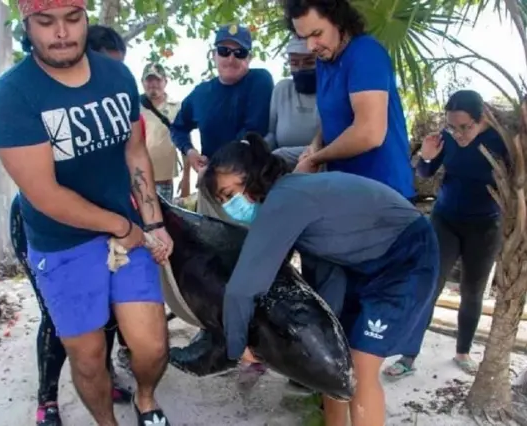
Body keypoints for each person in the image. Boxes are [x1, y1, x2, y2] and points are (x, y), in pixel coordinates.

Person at [0, 2, 173, 426]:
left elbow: (135, 151)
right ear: (26, 25)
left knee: (152, 346)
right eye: (46, 22)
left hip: (127, 231)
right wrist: (123, 226)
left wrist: (154, 221)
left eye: (72, 19)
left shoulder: (116, 76)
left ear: (86, 18)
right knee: (89, 358)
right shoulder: (14, 94)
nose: (62, 33)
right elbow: (44, 194)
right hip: (62, 242)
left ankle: (146, 398)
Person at [200, 132, 439, 426]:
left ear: (252, 176)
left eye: (229, 193)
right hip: (364, 263)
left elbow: (243, 287)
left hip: (405, 257)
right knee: (337, 364)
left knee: (361, 370)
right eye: (222, 200)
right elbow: (322, 270)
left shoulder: (285, 200)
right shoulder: (288, 197)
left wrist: (238, 348)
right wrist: (330, 324)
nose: (229, 204)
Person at [383, 90, 508, 379]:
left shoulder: (499, 141)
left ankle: (463, 351)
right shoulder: (446, 139)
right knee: (430, 286)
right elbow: (426, 173)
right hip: (446, 220)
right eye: (453, 126)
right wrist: (425, 158)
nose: (459, 134)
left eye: (466, 127)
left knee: (473, 292)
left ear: (483, 119)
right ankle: (408, 355)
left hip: (485, 225)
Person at [10, 196, 131, 426]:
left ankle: (103, 380)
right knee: (55, 315)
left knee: (105, 308)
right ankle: (47, 399)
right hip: (41, 223)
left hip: (98, 220)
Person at [283, 0, 415, 201]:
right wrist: (315, 145)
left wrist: (316, 160)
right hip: (348, 191)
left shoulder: (365, 53)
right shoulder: (323, 61)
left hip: (384, 193)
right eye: (303, 38)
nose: (310, 46)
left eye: (317, 34)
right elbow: (335, 118)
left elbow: (369, 133)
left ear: (338, 20)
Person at [170, 23, 274, 220]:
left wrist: (214, 167)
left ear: (249, 57)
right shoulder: (200, 93)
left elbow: (253, 131)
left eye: (240, 52)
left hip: (250, 186)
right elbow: (177, 128)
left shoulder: (260, 80)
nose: (231, 58)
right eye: (224, 51)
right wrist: (189, 151)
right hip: (212, 188)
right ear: (214, 55)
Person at [265, 36, 320, 168]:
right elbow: (271, 134)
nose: (301, 69)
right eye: (294, 63)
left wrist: (281, 156)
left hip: (321, 167)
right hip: (280, 169)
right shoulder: (282, 89)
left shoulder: (333, 92)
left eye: (309, 62)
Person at [140, 62, 191, 202]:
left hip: (164, 180)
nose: (153, 84)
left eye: (158, 79)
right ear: (142, 82)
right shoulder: (133, 107)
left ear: (165, 82)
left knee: (163, 220)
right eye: (149, 80)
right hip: (137, 179)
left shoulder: (178, 107)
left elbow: (186, 145)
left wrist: (186, 179)